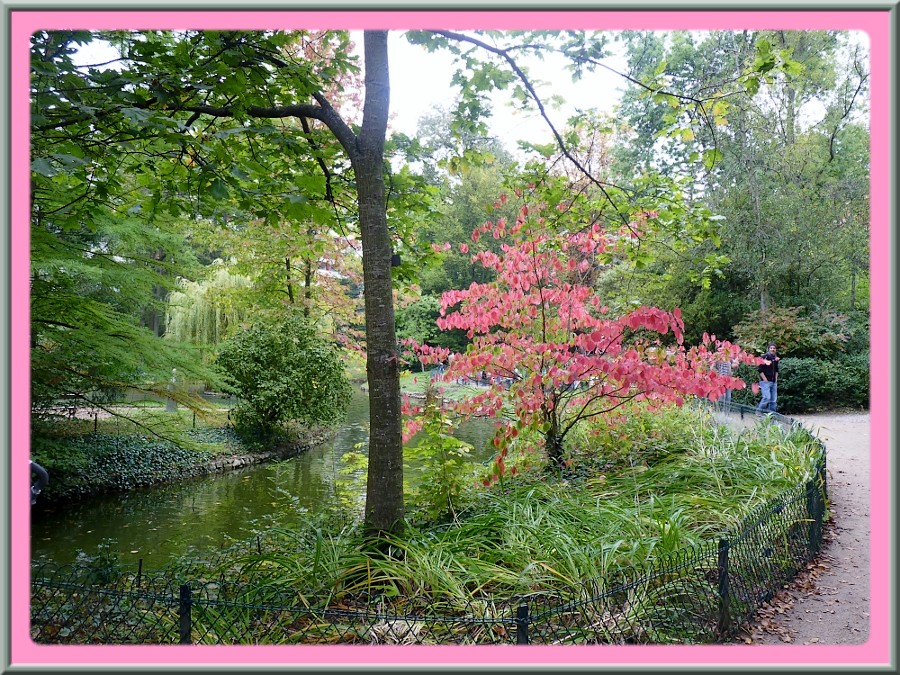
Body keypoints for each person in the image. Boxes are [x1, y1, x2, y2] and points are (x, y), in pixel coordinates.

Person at [756, 343, 780, 413]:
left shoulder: (775, 358)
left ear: (776, 349)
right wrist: (765, 380)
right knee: (766, 398)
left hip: (773, 382)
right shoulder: (764, 357)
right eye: (771, 348)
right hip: (765, 382)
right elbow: (760, 370)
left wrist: (775, 380)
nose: (772, 349)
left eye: (774, 348)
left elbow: (777, 370)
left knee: (773, 400)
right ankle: (759, 412)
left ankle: (772, 415)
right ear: (768, 349)